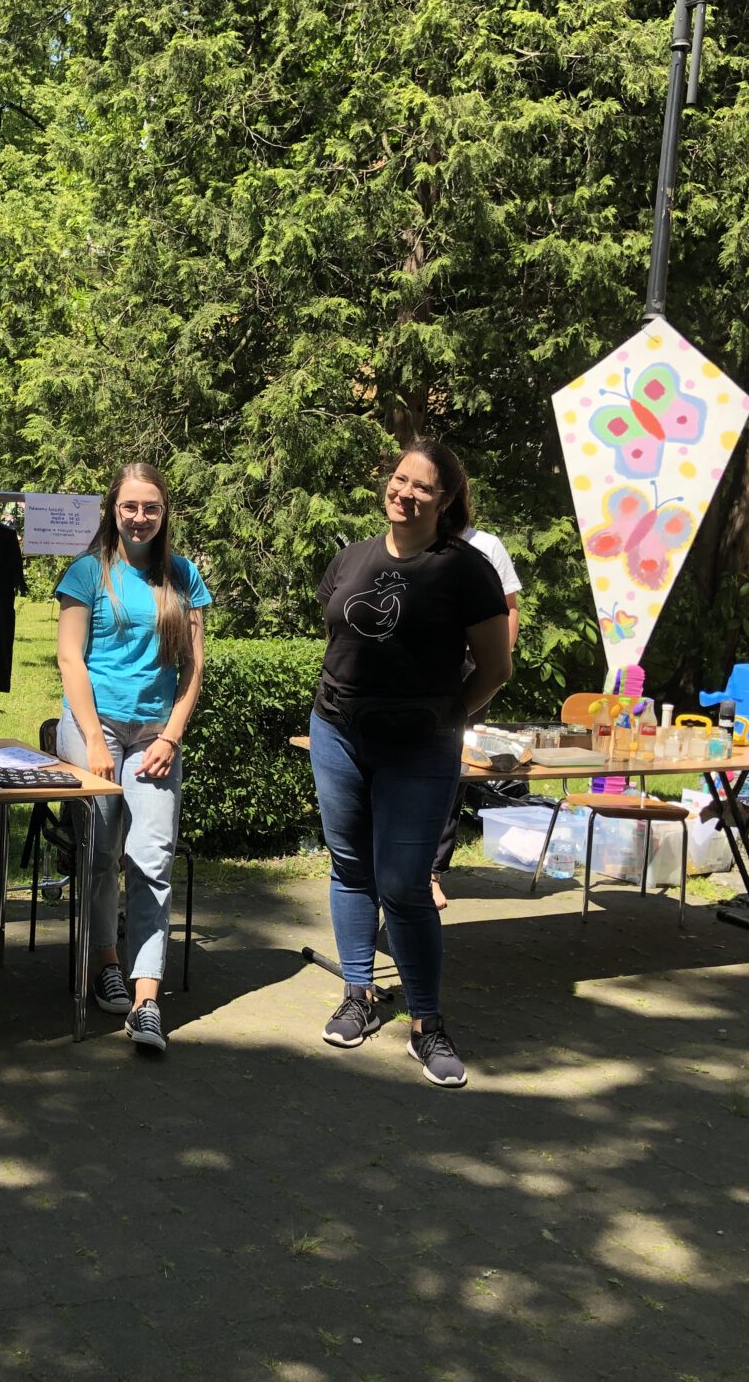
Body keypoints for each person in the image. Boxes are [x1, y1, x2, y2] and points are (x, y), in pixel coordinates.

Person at [308, 440, 512, 1087]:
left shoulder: (466, 570)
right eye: (400, 480)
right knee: (350, 867)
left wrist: (447, 718)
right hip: (338, 733)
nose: (406, 493)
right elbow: (338, 637)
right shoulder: (352, 558)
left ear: (445, 499)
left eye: (423, 487)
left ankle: (427, 1024)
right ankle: (359, 993)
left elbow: (496, 667)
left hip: (420, 746)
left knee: (403, 884)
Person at [54, 463, 210, 1055]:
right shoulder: (87, 573)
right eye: (129, 506)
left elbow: (192, 668)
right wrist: (94, 740)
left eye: (151, 507)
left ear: (164, 513)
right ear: (113, 511)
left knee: (151, 857)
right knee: (100, 854)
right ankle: (106, 962)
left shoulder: (183, 576)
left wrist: (171, 737)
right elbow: (70, 659)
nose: (139, 517)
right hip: (93, 728)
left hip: (154, 736)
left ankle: (147, 1001)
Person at [430, 512, 522, 907]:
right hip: (420, 664)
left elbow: (509, 607)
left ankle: (432, 872)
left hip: (470, 665)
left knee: (452, 767)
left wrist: (498, 658)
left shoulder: (486, 544)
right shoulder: (413, 538)